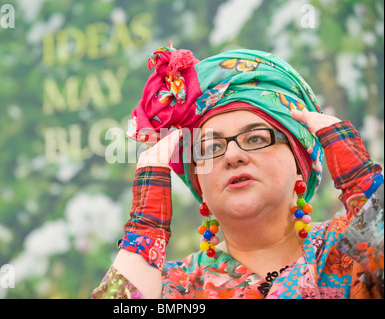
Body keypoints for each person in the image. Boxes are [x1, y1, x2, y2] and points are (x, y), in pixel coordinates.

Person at [91, 42, 384, 299]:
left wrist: (360, 179)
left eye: (255, 138)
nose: (232, 155)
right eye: (210, 147)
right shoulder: (174, 287)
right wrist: (146, 225)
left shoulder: (348, 251)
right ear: (198, 183)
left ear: (300, 165)